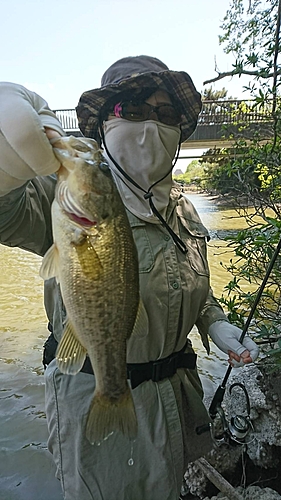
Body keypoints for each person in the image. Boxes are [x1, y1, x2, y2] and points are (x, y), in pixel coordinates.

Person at [0, 57, 259, 500]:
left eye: (165, 113)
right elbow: (7, 211)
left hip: (178, 403)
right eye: (132, 110)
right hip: (94, 399)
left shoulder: (183, 208)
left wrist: (215, 323)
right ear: (101, 126)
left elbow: (192, 285)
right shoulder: (62, 197)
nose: (150, 124)